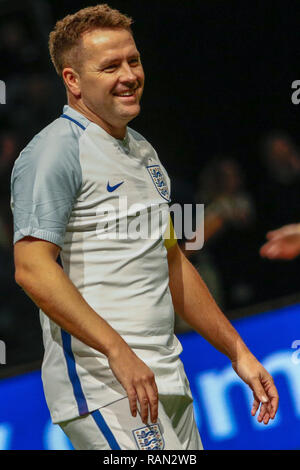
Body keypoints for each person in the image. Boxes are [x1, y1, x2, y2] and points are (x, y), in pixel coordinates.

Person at [11, 4, 278, 451]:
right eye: (110, 66)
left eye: (133, 60)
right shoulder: (55, 150)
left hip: (165, 376)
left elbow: (171, 259)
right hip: (105, 386)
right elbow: (32, 268)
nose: (129, 74)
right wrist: (117, 350)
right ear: (72, 81)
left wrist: (238, 351)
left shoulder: (143, 151)